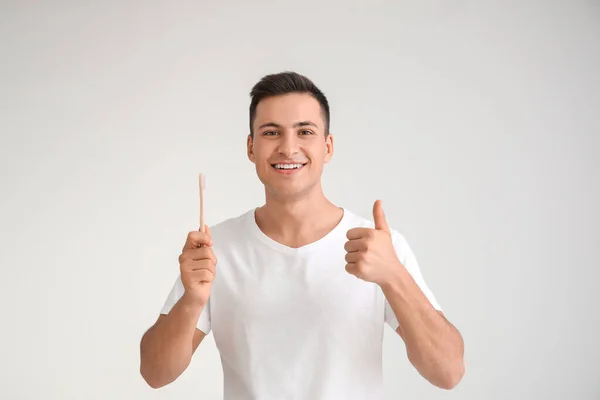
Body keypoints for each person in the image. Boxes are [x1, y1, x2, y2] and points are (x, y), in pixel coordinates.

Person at [139, 71, 465, 399]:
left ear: (328, 146)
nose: (288, 147)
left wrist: (394, 276)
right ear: (251, 147)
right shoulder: (215, 249)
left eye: (304, 131)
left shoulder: (380, 247)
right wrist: (191, 301)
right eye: (271, 132)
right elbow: (155, 373)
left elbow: (448, 372)